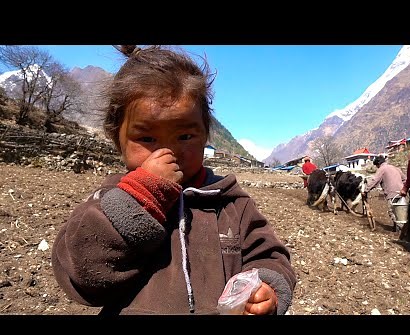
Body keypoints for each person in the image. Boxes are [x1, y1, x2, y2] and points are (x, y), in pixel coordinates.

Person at [51, 45, 296, 315]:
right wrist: (141, 196)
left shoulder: (230, 204)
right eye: (146, 138)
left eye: (185, 137)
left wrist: (267, 288)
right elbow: (81, 279)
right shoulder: (109, 202)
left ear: (205, 136)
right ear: (116, 137)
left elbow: (269, 256)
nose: (167, 153)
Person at [363, 155, 406, 230]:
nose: (377, 167)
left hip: (392, 193)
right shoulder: (395, 168)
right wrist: (403, 188)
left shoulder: (382, 169)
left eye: (376, 166)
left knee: (392, 211)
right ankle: (398, 227)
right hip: (401, 192)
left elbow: (374, 180)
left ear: (378, 164)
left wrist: (366, 190)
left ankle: (401, 230)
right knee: (401, 211)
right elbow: (405, 179)